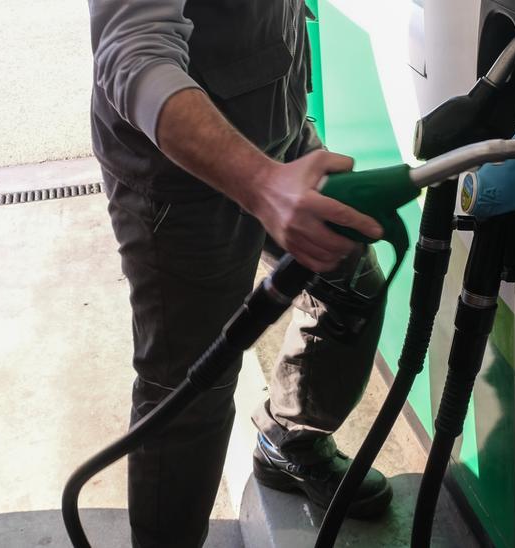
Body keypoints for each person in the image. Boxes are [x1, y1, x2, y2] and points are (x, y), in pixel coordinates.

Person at [89, 1, 394, 546]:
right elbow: (132, 52)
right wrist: (260, 184)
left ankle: (289, 439)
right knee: (188, 395)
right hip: (180, 182)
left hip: (280, 133)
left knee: (351, 283)